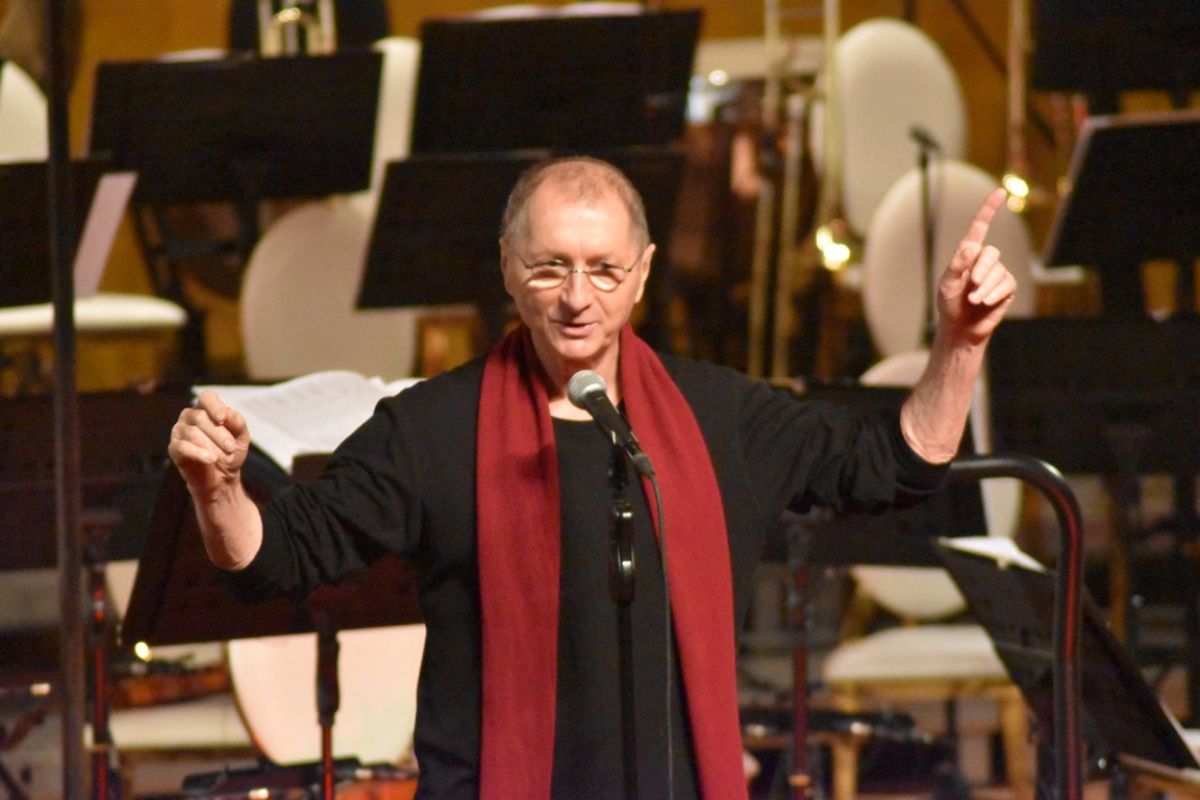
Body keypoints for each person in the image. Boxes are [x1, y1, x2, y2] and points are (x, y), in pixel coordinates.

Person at [169, 156, 1017, 799]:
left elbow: (895, 468)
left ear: (642, 273)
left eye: (605, 269)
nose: (578, 297)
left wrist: (961, 344)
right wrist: (219, 491)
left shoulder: (718, 415)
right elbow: (276, 559)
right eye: (551, 267)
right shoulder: (431, 429)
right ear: (508, 268)